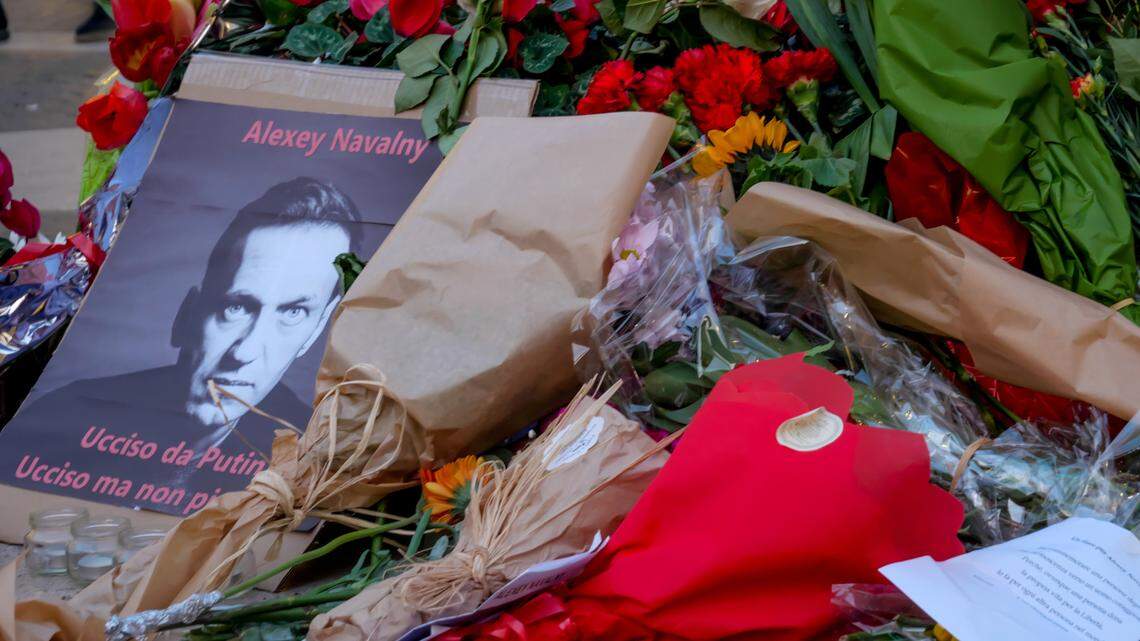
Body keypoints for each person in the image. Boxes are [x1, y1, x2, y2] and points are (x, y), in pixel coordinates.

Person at [0, 178, 362, 508]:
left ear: (315, 331)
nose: (245, 351)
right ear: (188, 313)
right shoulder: (64, 416)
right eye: (235, 306)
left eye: (293, 313)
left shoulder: (324, 460)